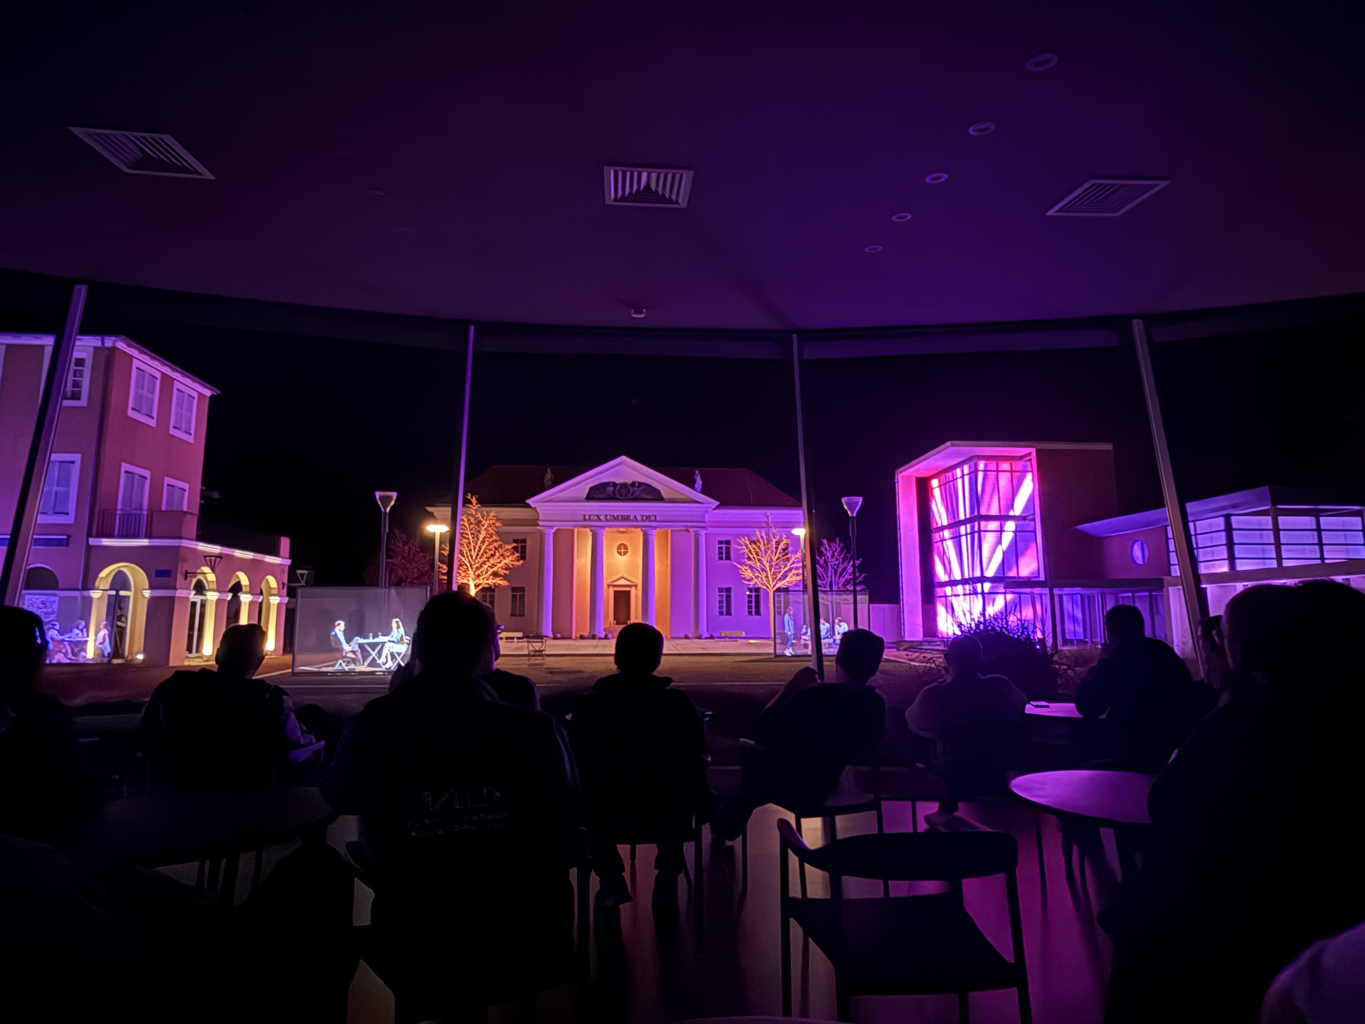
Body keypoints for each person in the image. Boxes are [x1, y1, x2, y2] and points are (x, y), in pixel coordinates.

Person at [1106, 582, 1365, 1023]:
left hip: (1216, 952)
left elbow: (1172, 811)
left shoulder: (1242, 730)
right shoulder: (1331, 725)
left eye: (1221, 638)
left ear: (1240, 649)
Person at [325, 591, 579, 1017]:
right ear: (488, 650)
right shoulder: (534, 731)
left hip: (417, 934)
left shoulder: (377, 724)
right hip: (525, 935)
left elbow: (339, 793)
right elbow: (568, 807)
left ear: (418, 647)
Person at [569, 623, 713, 908]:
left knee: (588, 792)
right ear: (657, 659)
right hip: (666, 812)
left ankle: (610, 879)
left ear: (617, 656)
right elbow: (697, 754)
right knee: (679, 783)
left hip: (607, 812)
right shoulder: (677, 703)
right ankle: (667, 877)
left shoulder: (589, 706)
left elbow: (577, 759)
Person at [713, 628, 886, 840]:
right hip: (832, 779)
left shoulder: (812, 698)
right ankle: (728, 812)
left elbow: (760, 730)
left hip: (796, 785)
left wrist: (790, 688)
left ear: (838, 658)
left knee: (755, 770)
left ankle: (725, 818)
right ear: (875, 667)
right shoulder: (875, 703)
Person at [139, 624, 324, 789]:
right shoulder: (269, 699)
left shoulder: (176, 686)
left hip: (175, 796)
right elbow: (298, 749)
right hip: (245, 803)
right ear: (259, 661)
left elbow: (145, 735)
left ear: (218, 655)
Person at [905, 634, 1027, 827]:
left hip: (954, 767)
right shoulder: (1001, 687)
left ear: (947, 660)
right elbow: (1021, 705)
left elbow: (913, 722)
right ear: (981, 661)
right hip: (997, 765)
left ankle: (946, 805)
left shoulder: (935, 695)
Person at [0, 606, 97, 847]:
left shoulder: (38, 711)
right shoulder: (39, 714)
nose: (43, 648)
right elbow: (74, 793)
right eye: (37, 642)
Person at [1075, 603, 1211, 772]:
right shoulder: (1163, 652)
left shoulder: (1117, 660)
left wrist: (1098, 665)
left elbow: (1088, 706)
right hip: (1172, 747)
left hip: (1128, 748)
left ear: (1111, 630)